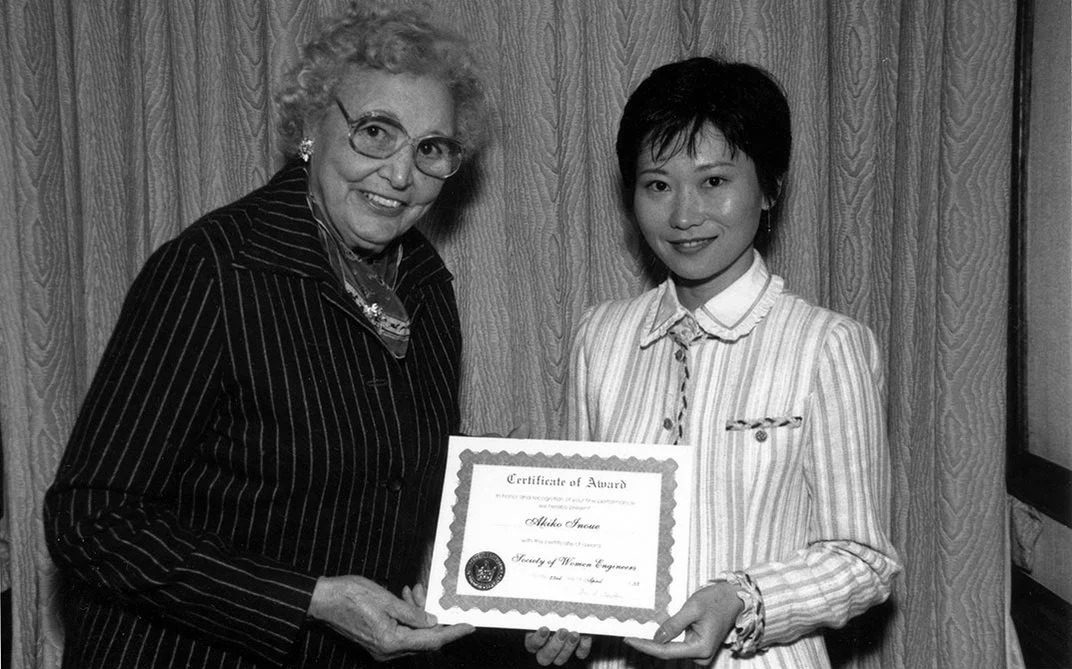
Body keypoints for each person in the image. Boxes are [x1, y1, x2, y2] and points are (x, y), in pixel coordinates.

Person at [43, 2, 488, 667]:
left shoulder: (423, 283)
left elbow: (387, 497)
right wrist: (305, 599)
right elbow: (90, 519)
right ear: (310, 129)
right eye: (375, 132)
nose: (401, 174)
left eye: (430, 148)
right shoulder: (214, 270)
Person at [524, 56, 901, 667]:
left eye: (714, 181)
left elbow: (862, 560)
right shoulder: (600, 336)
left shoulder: (826, 344)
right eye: (657, 184)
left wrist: (742, 600)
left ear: (770, 188)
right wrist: (563, 608)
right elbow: (579, 526)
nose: (683, 215)